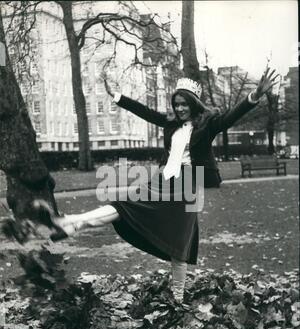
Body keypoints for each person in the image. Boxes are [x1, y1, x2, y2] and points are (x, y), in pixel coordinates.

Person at [33, 68, 279, 303]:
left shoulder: (208, 123)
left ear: (194, 103)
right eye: (177, 104)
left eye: (184, 104)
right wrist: (117, 96)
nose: (180, 108)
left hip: (188, 185)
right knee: (124, 206)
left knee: (180, 243)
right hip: (162, 181)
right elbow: (144, 112)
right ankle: (72, 223)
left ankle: (178, 298)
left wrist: (254, 96)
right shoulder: (170, 123)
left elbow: (229, 117)